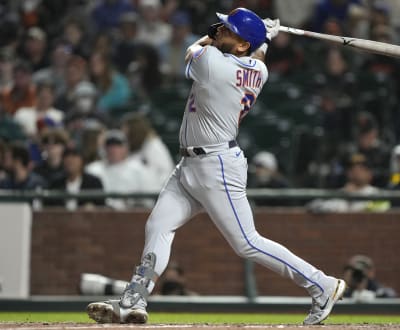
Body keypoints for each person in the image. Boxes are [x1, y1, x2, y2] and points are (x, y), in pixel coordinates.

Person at [87, 8, 346, 325]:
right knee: (158, 226)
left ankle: (322, 284)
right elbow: (257, 60)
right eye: (223, 27)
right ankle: (134, 299)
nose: (221, 29)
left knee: (247, 243)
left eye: (229, 29)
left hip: (216, 167)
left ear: (241, 46)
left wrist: (239, 35)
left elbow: (191, 51)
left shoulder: (212, 63)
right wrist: (263, 39)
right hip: (189, 166)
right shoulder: (258, 71)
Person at [46, 146, 104, 210]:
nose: (70, 160)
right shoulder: (55, 184)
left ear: (82, 160)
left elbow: (101, 206)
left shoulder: (94, 183)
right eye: (67, 157)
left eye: (74, 156)